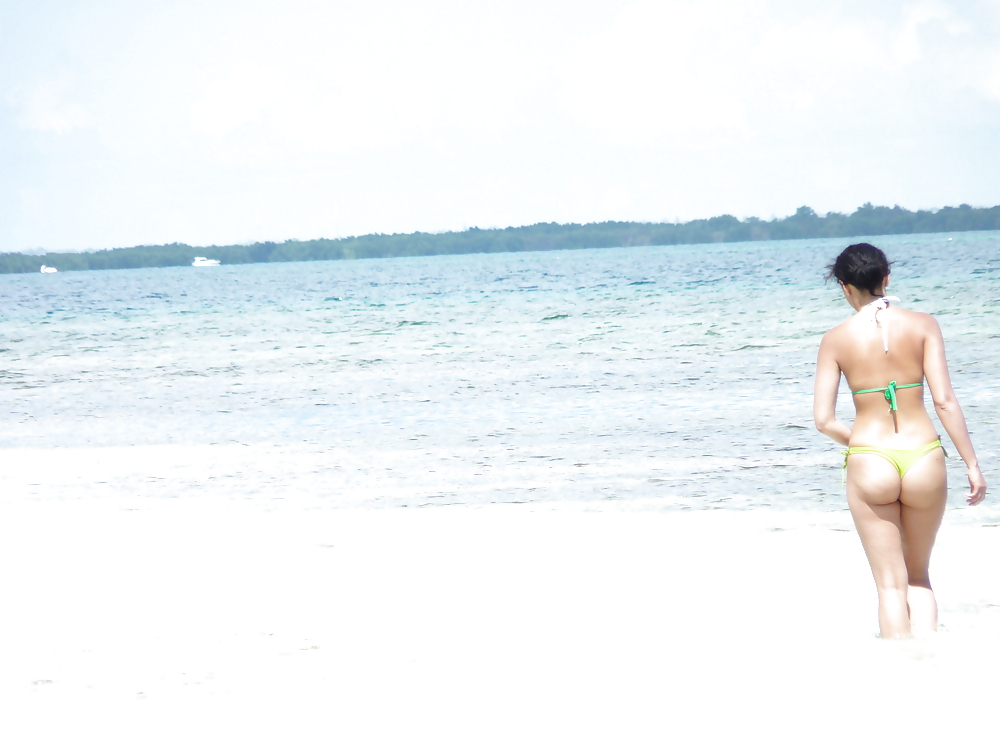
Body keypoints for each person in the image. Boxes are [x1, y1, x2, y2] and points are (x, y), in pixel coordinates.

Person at [813, 242, 987, 639]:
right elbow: (944, 400)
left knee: (890, 587)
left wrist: (861, 444)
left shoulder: (835, 340)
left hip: (871, 458)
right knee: (919, 578)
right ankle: (927, 667)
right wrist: (971, 464)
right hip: (925, 456)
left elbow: (823, 420)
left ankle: (898, 681)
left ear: (844, 286)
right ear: (886, 278)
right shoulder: (924, 325)